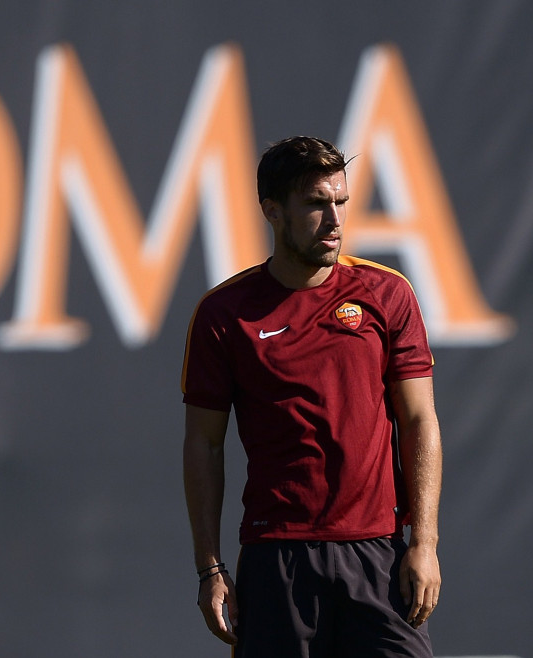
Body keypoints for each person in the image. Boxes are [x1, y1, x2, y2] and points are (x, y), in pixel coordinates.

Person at [181, 136, 442, 656]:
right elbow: (203, 445)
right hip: (277, 558)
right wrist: (210, 568)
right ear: (272, 212)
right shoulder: (223, 314)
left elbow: (420, 421)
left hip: (378, 556)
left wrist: (425, 543)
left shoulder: (387, 294)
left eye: (340, 202)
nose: (335, 219)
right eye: (317, 204)